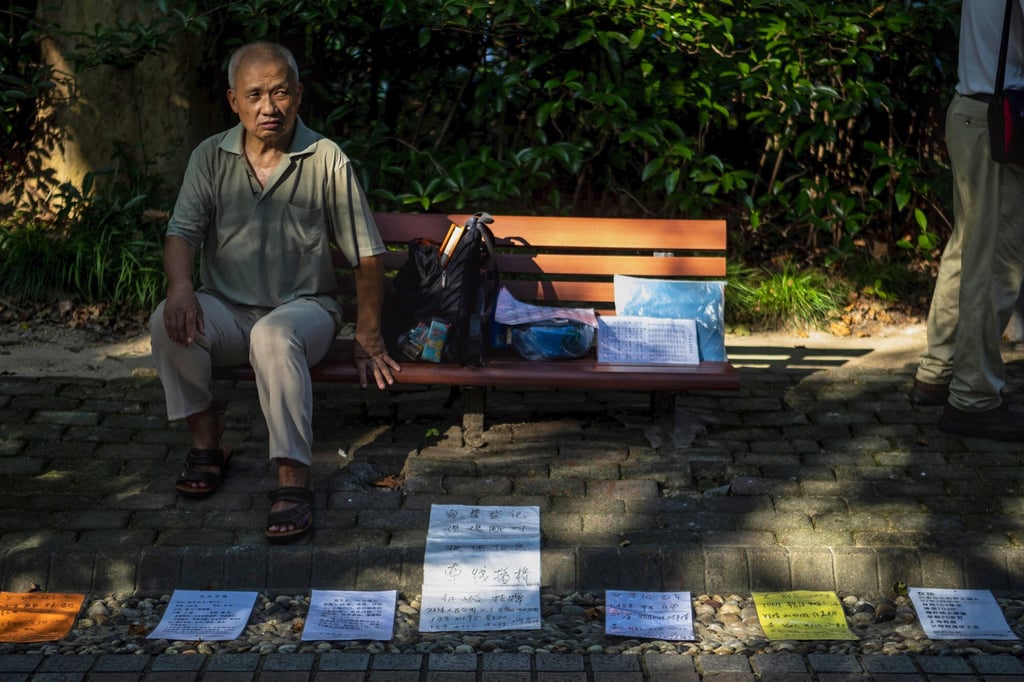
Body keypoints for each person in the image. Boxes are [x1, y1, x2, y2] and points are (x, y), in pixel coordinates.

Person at [149, 41, 401, 543]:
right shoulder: (209, 156)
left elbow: (368, 255)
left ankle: (292, 477)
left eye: (281, 92)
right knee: (166, 320)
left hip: (305, 311)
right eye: (256, 94)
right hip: (226, 308)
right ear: (233, 101)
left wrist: (367, 333)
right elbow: (181, 233)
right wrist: (180, 288)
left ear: (299, 94)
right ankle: (207, 444)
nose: (270, 107)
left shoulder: (325, 158)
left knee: (273, 335)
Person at [909, 0, 1024, 441]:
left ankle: (938, 371)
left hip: (971, 112)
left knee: (968, 249)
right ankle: (973, 399)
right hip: (1000, 121)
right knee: (994, 261)